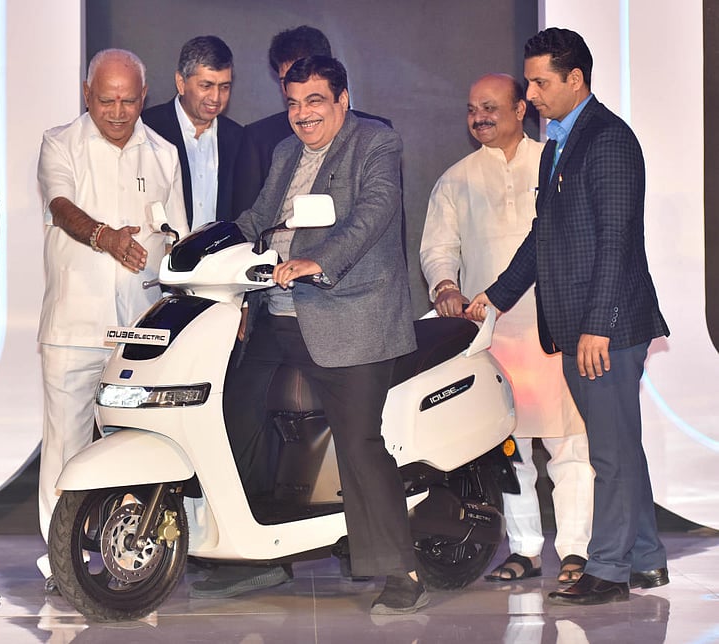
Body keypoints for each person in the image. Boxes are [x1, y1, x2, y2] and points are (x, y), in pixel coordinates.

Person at [191, 55, 426, 615]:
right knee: (233, 413)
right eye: (292, 103)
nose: (302, 114)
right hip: (279, 314)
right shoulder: (285, 151)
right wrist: (203, 244)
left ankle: (403, 570)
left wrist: (316, 261)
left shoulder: (376, 143)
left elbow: (373, 215)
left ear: (343, 99)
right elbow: (258, 219)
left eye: (314, 101)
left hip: (352, 314)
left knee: (359, 441)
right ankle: (258, 554)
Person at [467, 28, 670, 605]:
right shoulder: (560, 141)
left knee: (608, 451)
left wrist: (598, 324)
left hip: (607, 327)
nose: (528, 93)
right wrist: (497, 295)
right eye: (528, 80)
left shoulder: (607, 140)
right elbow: (545, 234)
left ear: (575, 79)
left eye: (539, 82)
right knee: (620, 445)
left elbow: (617, 239)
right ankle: (648, 560)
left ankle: (606, 569)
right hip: (585, 324)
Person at [420, 73, 593, 585]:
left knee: (569, 446)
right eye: (473, 108)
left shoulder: (555, 162)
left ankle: (576, 550)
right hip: (490, 334)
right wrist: (445, 287)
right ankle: (524, 551)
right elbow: (438, 247)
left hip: (553, 327)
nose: (480, 117)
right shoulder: (455, 178)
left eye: (492, 107)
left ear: (523, 109)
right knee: (507, 448)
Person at [36, 48, 188, 593]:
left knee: (140, 443)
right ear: (87, 94)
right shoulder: (61, 142)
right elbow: (60, 207)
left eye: (128, 100)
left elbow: (176, 236)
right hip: (75, 326)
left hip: (141, 335)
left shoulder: (165, 153)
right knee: (66, 443)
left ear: (143, 98)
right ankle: (63, 563)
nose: (118, 111)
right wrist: (105, 236)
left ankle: (134, 556)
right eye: (106, 100)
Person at [230, 25, 391, 217]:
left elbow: (383, 219)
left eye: (303, 76)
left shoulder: (376, 135)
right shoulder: (261, 139)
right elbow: (249, 221)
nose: (294, 86)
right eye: (286, 80)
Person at [142, 35, 242, 228]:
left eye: (224, 87)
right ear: (181, 82)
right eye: (206, 86)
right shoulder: (147, 128)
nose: (215, 97)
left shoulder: (238, 138)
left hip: (221, 255)